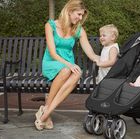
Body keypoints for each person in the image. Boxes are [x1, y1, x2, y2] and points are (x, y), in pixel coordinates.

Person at [35, 0, 99, 130]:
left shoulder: (79, 30)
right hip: (52, 63)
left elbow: (91, 53)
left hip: (68, 66)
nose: (80, 18)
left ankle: (46, 112)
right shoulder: (51, 25)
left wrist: (106, 59)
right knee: (66, 70)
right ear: (69, 11)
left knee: (77, 73)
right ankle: (46, 114)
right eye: (79, 14)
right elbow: (52, 53)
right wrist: (69, 65)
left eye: (82, 15)